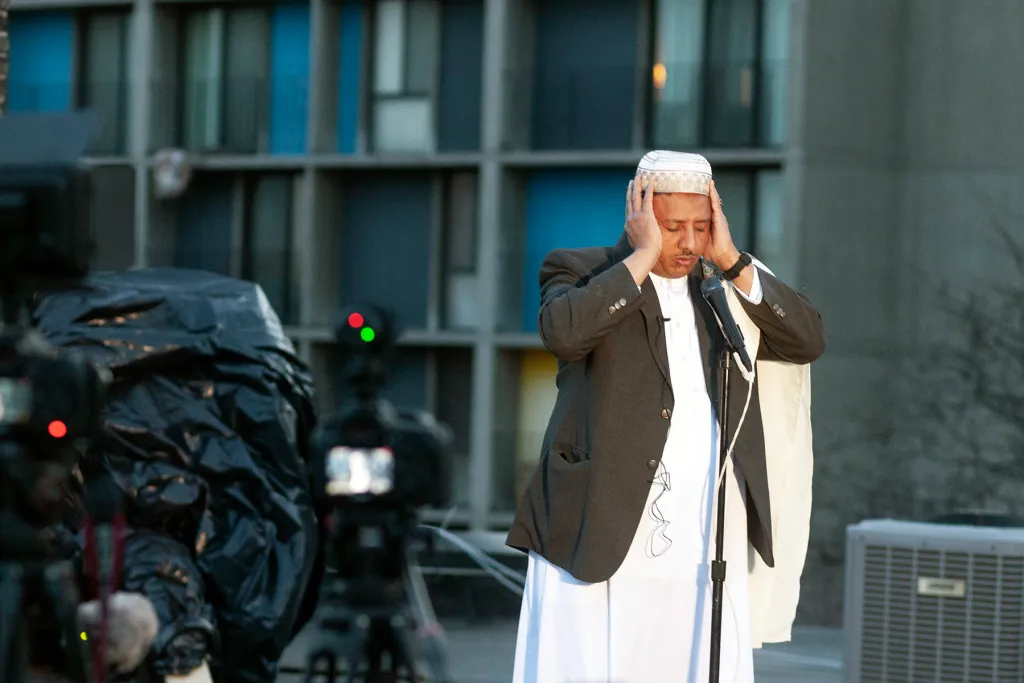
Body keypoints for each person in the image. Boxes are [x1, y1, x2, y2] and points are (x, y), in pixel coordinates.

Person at [507, 151, 826, 683]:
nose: (687, 241)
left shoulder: (722, 286)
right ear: (639, 214)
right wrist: (639, 258)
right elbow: (562, 332)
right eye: (672, 225)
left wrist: (730, 258)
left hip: (703, 529)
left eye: (700, 226)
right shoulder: (581, 270)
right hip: (599, 521)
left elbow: (807, 340)